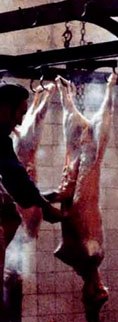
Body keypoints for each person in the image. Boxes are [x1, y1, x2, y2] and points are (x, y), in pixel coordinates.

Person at [0, 82, 63, 224]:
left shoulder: (3, 141)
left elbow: (15, 182)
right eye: (20, 114)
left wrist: (39, 199)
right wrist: (44, 205)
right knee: (8, 213)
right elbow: (14, 175)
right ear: (4, 109)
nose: (19, 122)